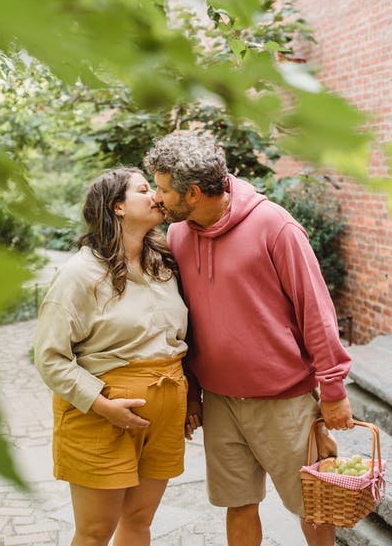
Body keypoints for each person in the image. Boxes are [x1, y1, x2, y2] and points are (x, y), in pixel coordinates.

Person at [144, 131, 354, 546]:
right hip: (220, 401)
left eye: (165, 189)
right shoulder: (179, 235)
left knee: (312, 505)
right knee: (237, 504)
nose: (157, 196)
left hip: (284, 400)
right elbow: (187, 322)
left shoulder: (274, 226)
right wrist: (192, 394)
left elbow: (316, 311)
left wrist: (332, 389)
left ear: (197, 193)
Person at [34, 167, 188, 546]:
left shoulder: (164, 264)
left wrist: (192, 396)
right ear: (117, 206)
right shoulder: (79, 275)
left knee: (138, 521)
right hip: (100, 418)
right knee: (95, 532)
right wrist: (103, 405)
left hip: (165, 416)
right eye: (143, 189)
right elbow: (50, 357)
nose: (156, 195)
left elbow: (179, 340)